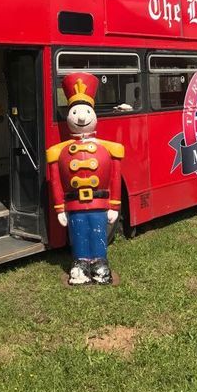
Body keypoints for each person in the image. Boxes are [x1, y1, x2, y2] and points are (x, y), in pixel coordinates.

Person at [46, 72, 124, 285]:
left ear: (93, 114)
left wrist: (114, 206)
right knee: (78, 232)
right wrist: (60, 209)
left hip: (99, 201)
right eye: (76, 112)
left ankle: (100, 263)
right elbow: (56, 182)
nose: (81, 118)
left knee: (98, 231)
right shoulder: (57, 152)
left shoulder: (109, 149)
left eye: (86, 112)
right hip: (74, 204)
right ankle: (80, 263)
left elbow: (115, 177)